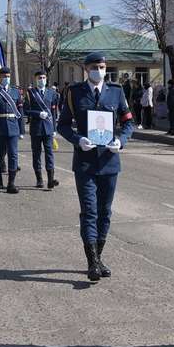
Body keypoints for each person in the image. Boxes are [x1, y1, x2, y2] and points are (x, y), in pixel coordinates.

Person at [58, 52, 135, 282]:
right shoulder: (74, 93)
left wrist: (121, 141)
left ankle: (98, 257)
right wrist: (77, 139)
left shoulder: (117, 91)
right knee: (89, 212)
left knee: (105, 213)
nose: (99, 70)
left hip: (110, 162)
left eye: (102, 67)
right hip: (85, 162)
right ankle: (92, 262)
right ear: (86, 69)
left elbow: (128, 121)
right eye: (94, 67)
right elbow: (62, 125)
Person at [0, 67, 24, 194]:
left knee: (13, 155)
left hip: (13, 127)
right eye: (4, 76)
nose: (6, 78)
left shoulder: (15, 92)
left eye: (8, 76)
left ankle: (11, 183)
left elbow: (20, 112)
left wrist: (21, 130)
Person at [25, 70, 60, 190]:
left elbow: (54, 111)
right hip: (36, 128)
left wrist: (54, 128)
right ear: (36, 79)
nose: (42, 80)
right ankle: (39, 179)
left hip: (49, 128)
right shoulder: (30, 93)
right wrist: (38, 113)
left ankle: (50, 180)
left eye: (44, 77)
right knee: (36, 154)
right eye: (40, 78)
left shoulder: (52, 92)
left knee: (49, 154)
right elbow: (26, 110)